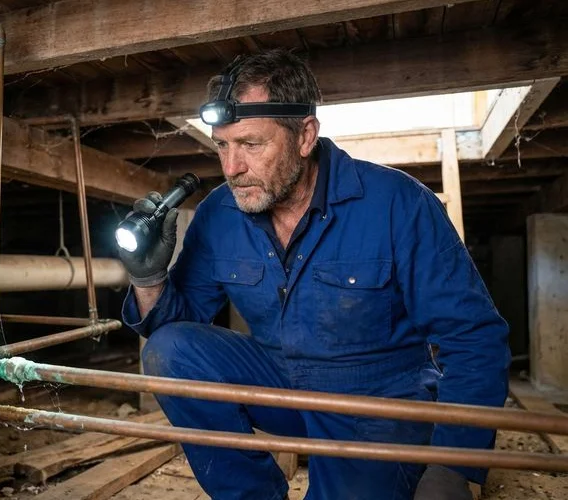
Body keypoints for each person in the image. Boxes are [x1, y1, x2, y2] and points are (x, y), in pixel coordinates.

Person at [117, 48, 510, 500]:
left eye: (251, 144)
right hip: (281, 388)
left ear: (305, 136)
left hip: (376, 405)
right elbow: (178, 343)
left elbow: (474, 336)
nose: (231, 168)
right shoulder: (219, 215)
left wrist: (452, 466)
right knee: (171, 351)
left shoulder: (397, 203)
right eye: (222, 145)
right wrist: (148, 279)